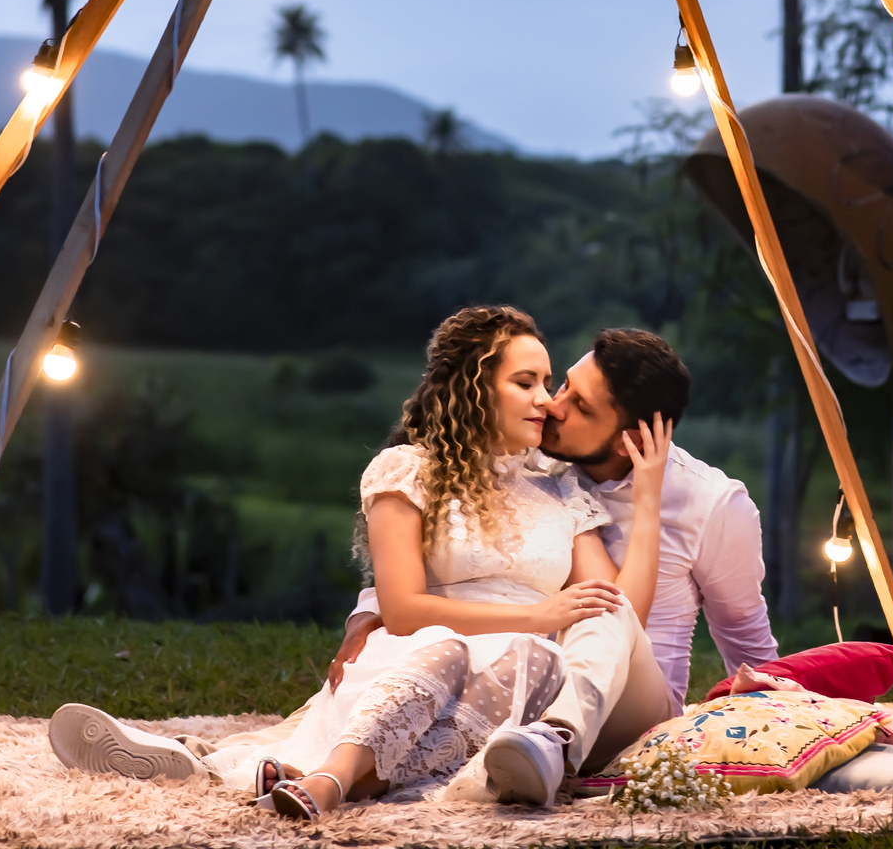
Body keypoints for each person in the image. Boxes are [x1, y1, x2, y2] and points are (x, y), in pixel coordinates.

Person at [48, 305, 674, 814]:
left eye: (548, 384)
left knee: (573, 626)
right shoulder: (407, 471)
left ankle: (264, 768)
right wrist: (533, 616)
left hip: (533, 667)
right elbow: (402, 608)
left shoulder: (558, 489)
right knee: (430, 663)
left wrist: (648, 499)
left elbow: (619, 615)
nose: (547, 401)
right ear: (474, 387)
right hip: (443, 643)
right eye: (528, 383)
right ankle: (230, 766)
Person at [338, 328, 777, 732]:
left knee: (604, 614)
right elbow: (459, 550)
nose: (553, 406)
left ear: (631, 442)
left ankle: (552, 739)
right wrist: (375, 612)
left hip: (630, 700)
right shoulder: (536, 460)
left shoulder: (713, 504)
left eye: (580, 407)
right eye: (564, 385)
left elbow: (744, 636)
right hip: (528, 673)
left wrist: (776, 728)